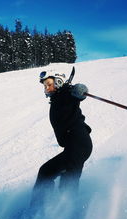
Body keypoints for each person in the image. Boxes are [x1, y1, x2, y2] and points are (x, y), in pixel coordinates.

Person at [31, 69, 92, 207]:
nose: (46, 87)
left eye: (49, 84)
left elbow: (77, 95)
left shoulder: (65, 93)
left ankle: (38, 210)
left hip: (78, 144)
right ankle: (59, 210)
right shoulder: (57, 98)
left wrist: (79, 90)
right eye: (44, 85)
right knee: (65, 181)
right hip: (75, 146)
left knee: (46, 173)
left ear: (58, 82)